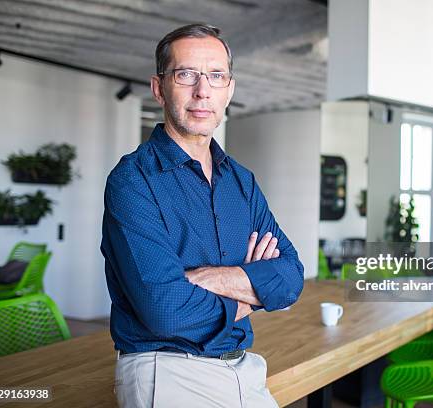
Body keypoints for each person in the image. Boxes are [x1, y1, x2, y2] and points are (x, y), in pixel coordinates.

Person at [101, 23, 304, 408]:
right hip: (168, 369)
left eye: (215, 75)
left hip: (245, 367)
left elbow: (291, 276)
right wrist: (254, 295)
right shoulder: (132, 181)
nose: (202, 90)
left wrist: (207, 279)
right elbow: (164, 310)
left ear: (230, 88)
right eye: (186, 74)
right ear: (159, 88)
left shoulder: (242, 182)